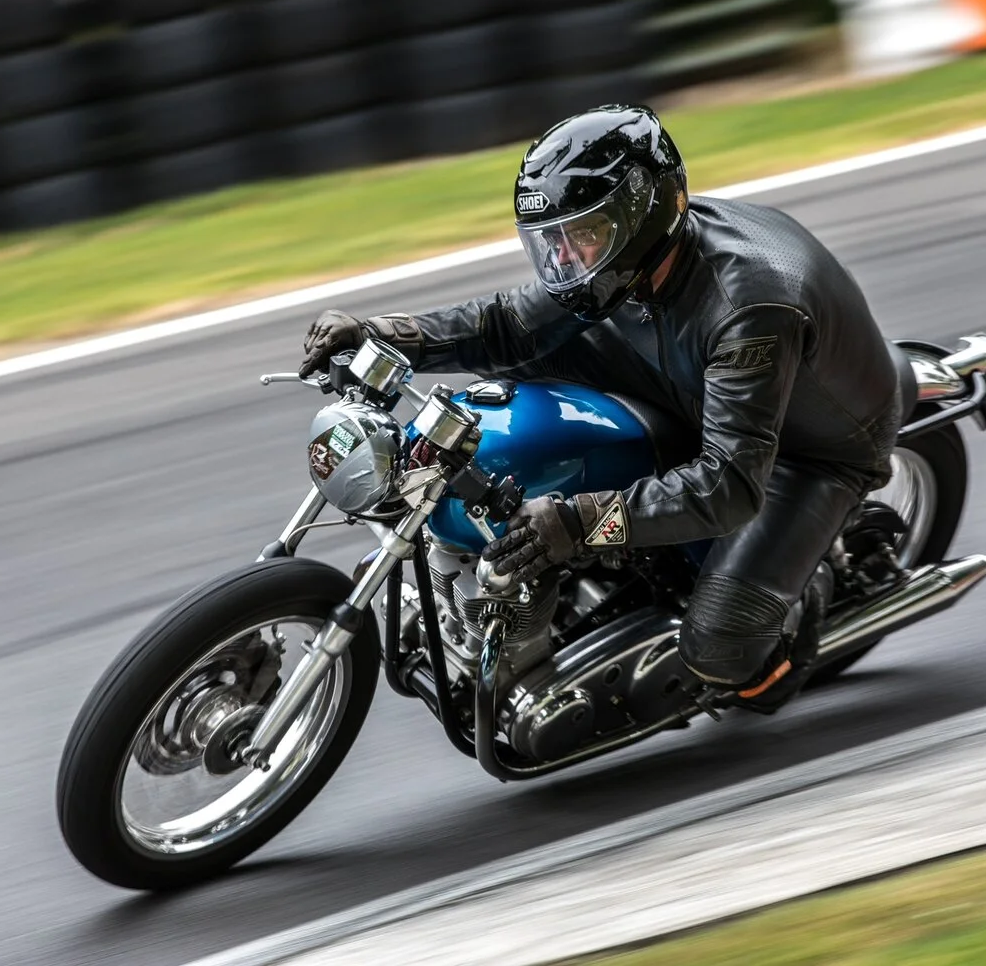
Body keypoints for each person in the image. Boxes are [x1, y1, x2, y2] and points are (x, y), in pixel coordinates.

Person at [298, 104, 901, 712]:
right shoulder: (627, 266)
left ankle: (807, 598)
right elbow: (508, 327)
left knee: (723, 655)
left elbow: (729, 486)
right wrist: (379, 335)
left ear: (643, 213)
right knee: (516, 371)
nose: (564, 259)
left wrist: (579, 522)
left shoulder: (748, 309)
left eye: (582, 236)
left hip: (807, 448)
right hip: (679, 373)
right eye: (552, 241)